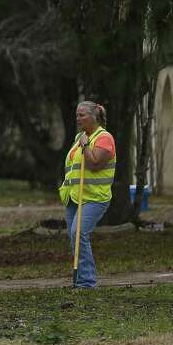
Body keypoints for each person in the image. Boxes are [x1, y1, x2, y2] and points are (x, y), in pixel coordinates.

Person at [59, 100, 116, 288]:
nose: (78, 118)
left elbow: (94, 164)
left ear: (94, 117)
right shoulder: (79, 137)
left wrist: (85, 146)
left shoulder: (104, 138)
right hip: (74, 197)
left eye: (82, 115)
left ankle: (87, 282)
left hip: (94, 198)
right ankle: (79, 279)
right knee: (74, 237)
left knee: (79, 233)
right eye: (77, 114)